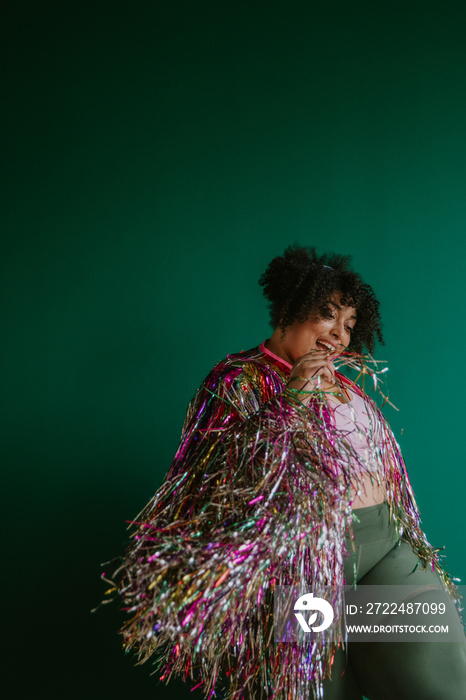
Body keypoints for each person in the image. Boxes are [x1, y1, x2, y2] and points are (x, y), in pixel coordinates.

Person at [102, 245, 465, 700]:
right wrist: (290, 399)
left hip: (383, 545)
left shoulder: (345, 384)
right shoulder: (236, 379)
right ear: (291, 309)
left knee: (441, 678)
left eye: (349, 325)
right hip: (303, 561)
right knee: (316, 690)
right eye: (327, 316)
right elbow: (223, 480)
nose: (338, 334)